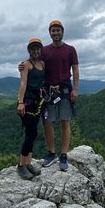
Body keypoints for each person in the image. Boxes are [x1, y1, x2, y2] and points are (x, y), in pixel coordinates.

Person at [39, 20, 79, 171]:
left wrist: (75, 89)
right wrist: (23, 66)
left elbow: (75, 70)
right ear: (49, 33)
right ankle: (51, 153)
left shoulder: (70, 50)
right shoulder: (44, 51)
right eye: (52, 30)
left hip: (65, 89)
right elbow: (36, 64)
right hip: (48, 91)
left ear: (62, 32)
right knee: (47, 122)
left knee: (64, 122)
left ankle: (63, 155)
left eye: (57, 30)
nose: (55, 33)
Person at [16, 38, 45, 180]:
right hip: (27, 101)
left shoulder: (42, 64)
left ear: (41, 50)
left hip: (37, 102)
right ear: (29, 51)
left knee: (33, 133)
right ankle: (21, 166)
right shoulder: (26, 65)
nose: (35, 51)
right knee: (30, 133)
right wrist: (20, 102)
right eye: (33, 49)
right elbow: (23, 83)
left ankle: (28, 163)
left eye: (37, 48)